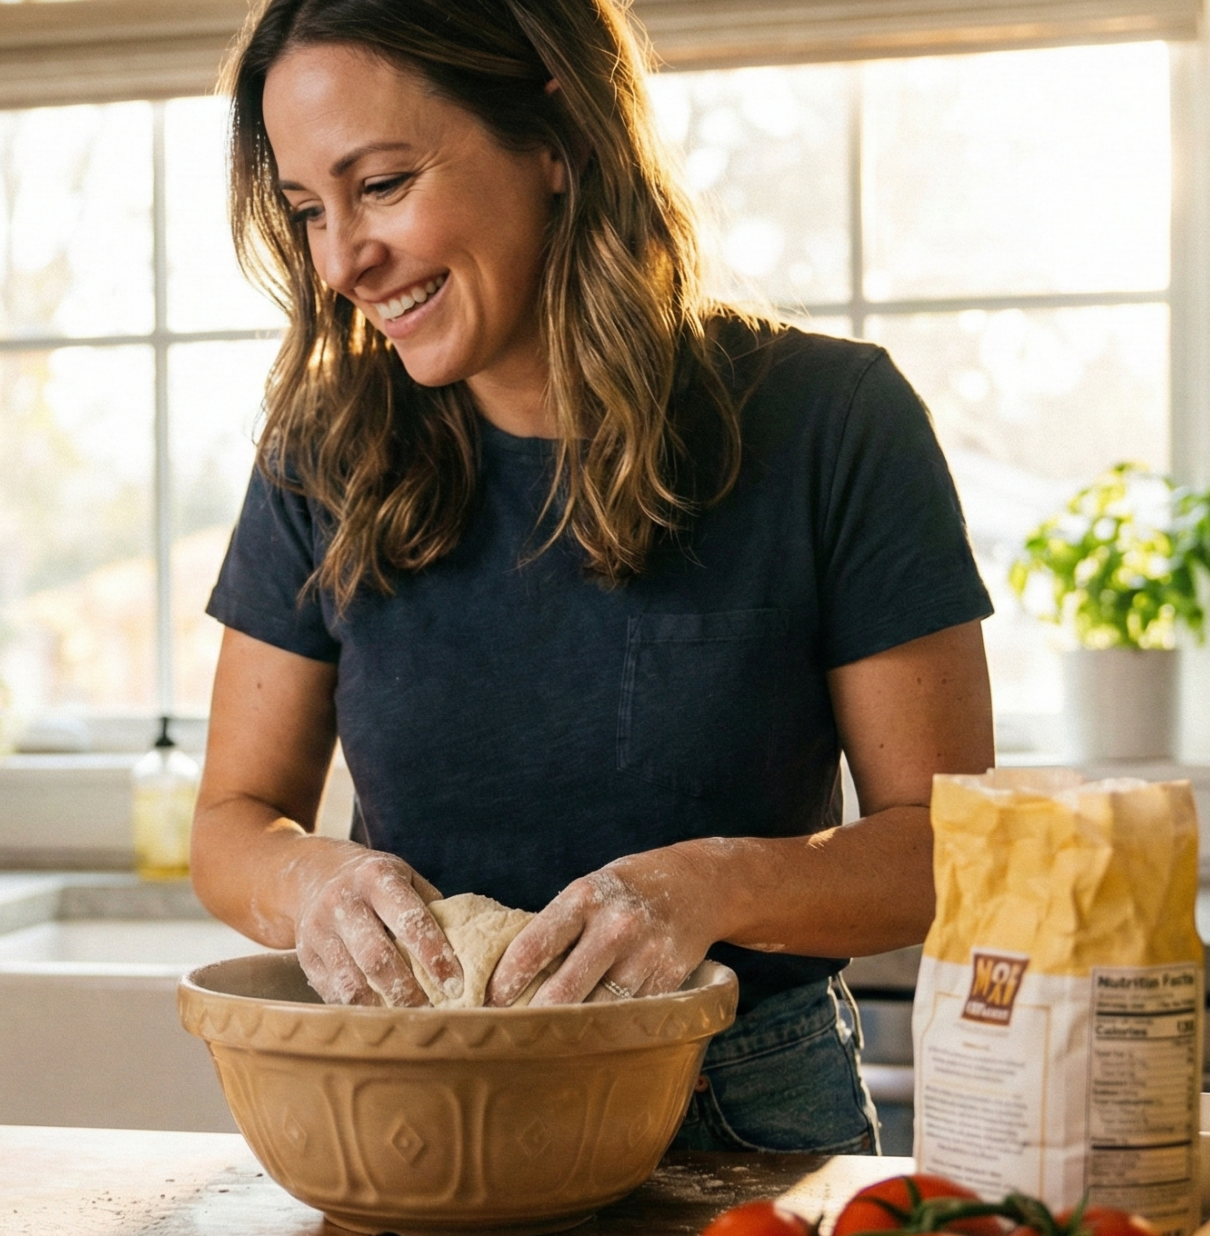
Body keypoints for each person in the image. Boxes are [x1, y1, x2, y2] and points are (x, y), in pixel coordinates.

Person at [189, 0, 995, 1155]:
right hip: (417, 1104)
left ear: (554, 137)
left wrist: (710, 886)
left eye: (380, 186)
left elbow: (945, 848)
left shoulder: (827, 422)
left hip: (744, 1107)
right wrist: (312, 880)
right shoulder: (325, 453)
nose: (339, 261)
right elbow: (229, 821)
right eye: (308, 210)